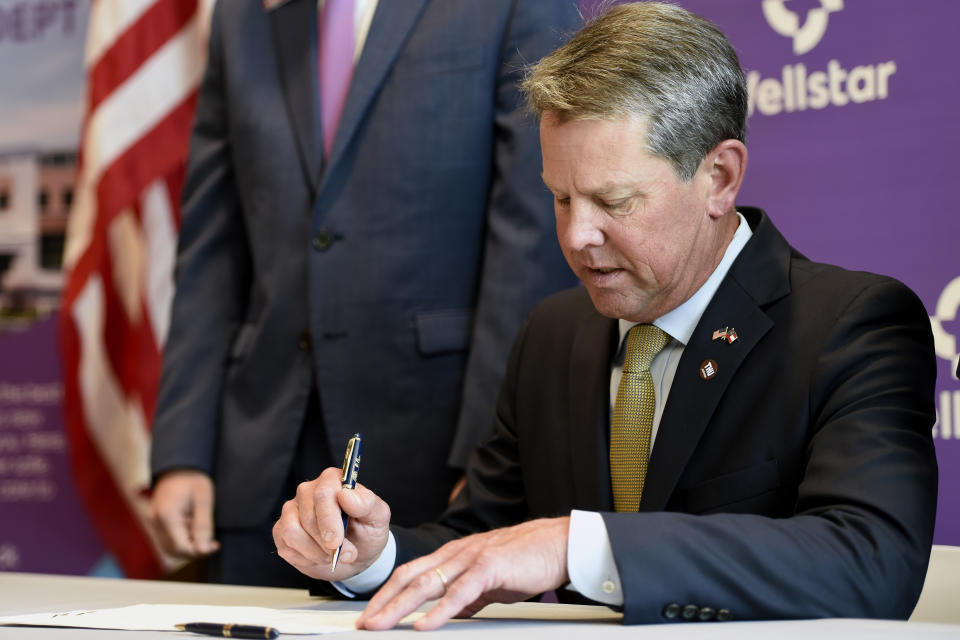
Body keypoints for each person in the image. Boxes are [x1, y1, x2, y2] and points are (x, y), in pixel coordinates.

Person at [271, 1, 939, 628]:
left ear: (721, 177)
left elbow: (869, 561)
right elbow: (480, 543)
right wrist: (371, 557)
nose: (575, 236)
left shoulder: (852, 327)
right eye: (560, 199)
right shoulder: (552, 336)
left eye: (613, 201)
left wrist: (578, 545)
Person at [149, 0, 581, 587]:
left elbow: (530, 240)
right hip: (258, 463)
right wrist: (184, 451)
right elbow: (212, 243)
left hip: (431, 455)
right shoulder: (241, 13)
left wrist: (488, 464)